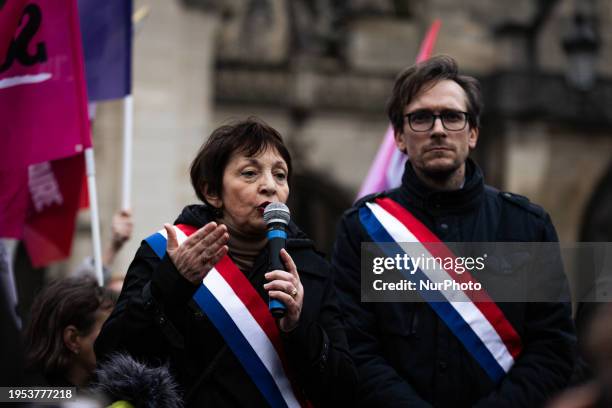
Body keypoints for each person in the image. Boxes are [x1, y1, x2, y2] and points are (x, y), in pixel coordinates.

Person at [332, 55, 576, 407]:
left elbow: (553, 347)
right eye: (420, 118)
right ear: (399, 137)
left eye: (452, 116)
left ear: (473, 133)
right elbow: (355, 347)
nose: (438, 129)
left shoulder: (526, 226)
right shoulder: (363, 229)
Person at [95, 118, 357, 407]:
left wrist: (298, 326)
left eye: (280, 175)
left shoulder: (311, 268)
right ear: (212, 192)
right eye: (249, 173)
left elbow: (344, 388)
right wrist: (172, 283)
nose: (270, 186)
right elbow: (112, 354)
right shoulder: (164, 254)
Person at [23, 276, 115, 387]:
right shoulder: (27, 397)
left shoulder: (112, 391)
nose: (119, 337)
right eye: (110, 329)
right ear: (73, 339)